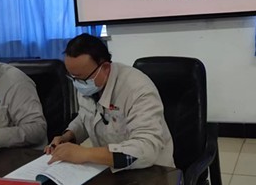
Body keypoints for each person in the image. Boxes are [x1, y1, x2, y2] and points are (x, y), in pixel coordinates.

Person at [45, 33, 174, 171]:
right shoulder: (87, 82)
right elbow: (86, 117)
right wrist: (68, 137)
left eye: (81, 78)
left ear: (105, 68)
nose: (78, 84)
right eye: (73, 77)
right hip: (109, 169)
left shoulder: (137, 89)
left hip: (153, 172)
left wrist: (85, 153)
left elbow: (146, 149)